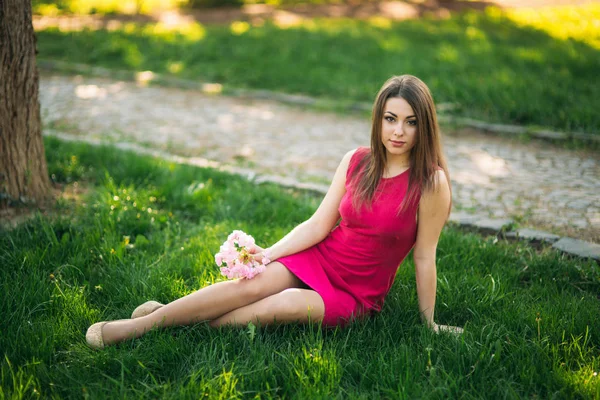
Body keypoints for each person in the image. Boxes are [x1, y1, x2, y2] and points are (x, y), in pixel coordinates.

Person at [86, 75, 463, 349]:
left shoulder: (430, 183)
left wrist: (428, 323)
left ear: (423, 126)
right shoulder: (357, 161)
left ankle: (170, 322)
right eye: (390, 118)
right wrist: (270, 254)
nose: (398, 131)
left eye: (410, 122)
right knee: (251, 285)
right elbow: (318, 224)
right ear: (378, 120)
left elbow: (424, 256)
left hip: (358, 293)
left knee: (284, 305)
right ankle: (143, 325)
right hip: (322, 257)